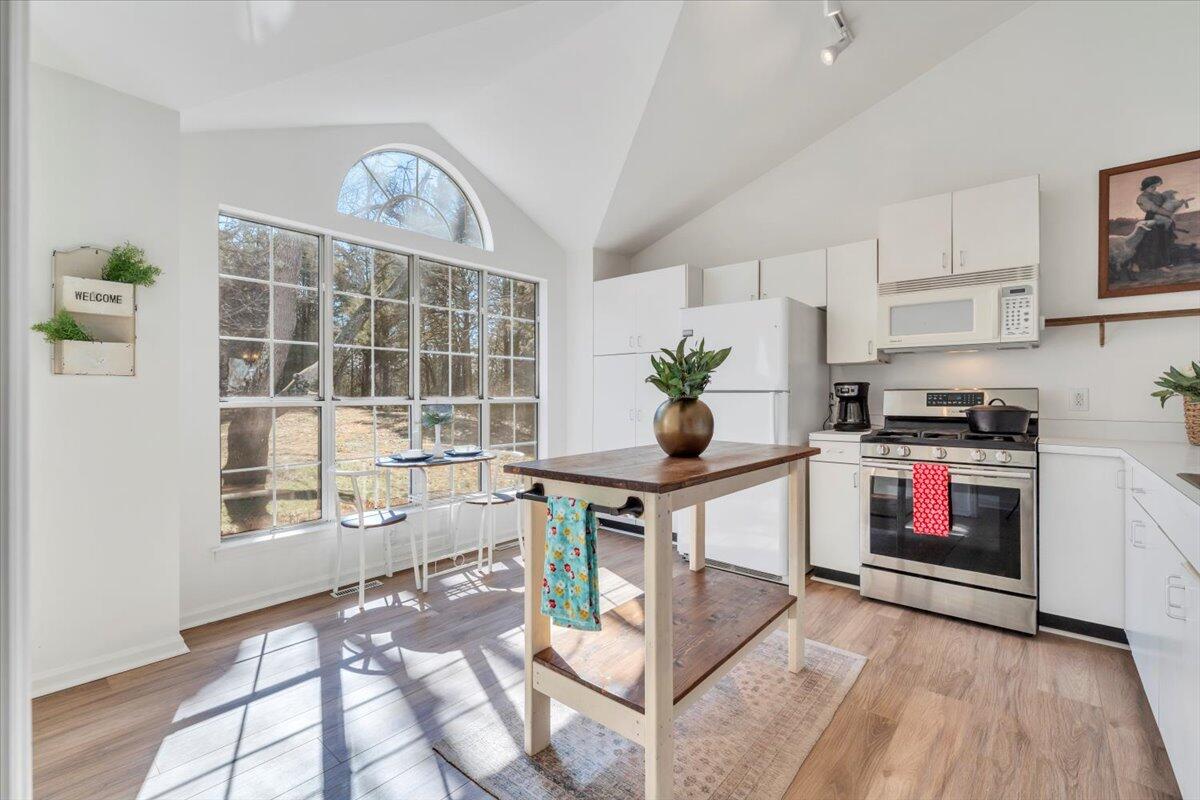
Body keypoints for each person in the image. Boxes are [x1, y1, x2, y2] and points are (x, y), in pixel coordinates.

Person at [1135, 175, 1178, 270]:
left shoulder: (1158, 194)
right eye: (1152, 186)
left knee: (1166, 240)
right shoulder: (1141, 198)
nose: (1155, 188)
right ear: (1146, 186)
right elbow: (1154, 208)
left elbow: (1168, 202)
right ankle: (1158, 265)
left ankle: (1166, 262)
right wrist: (1168, 213)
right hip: (1152, 219)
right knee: (1155, 241)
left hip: (1164, 219)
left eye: (1156, 186)